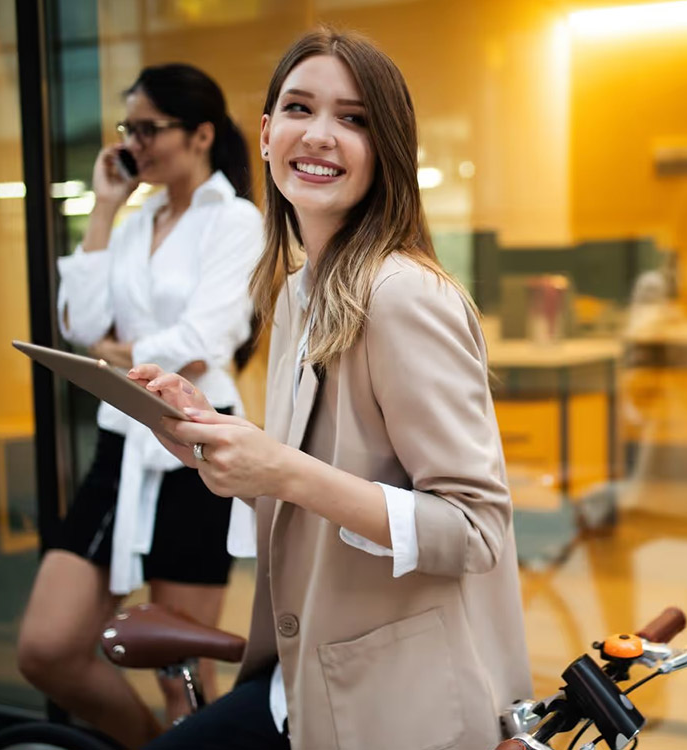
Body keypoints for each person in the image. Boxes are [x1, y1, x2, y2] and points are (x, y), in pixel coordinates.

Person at [129, 29, 532, 750]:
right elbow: (309, 487)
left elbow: (475, 531)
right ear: (263, 133)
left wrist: (279, 468)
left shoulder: (402, 295)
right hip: (302, 678)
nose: (319, 136)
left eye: (354, 119)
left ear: (388, 151)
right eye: (299, 108)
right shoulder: (295, 294)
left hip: (391, 704)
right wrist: (212, 440)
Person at [15, 64, 262, 748]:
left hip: (195, 449)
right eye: (129, 129)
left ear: (202, 134)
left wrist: (117, 353)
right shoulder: (133, 221)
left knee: (179, 673)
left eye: (149, 129)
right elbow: (79, 320)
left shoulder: (236, 221)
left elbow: (201, 343)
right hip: (121, 447)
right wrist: (102, 207)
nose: (134, 144)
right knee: (46, 647)